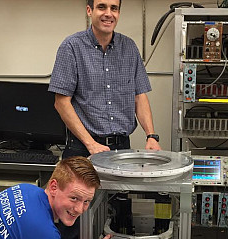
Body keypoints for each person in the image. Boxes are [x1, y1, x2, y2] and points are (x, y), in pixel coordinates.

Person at [49, 0, 161, 159]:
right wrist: (90, 144)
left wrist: (151, 136)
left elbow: (139, 96)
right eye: (102, 7)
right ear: (89, 10)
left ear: (118, 13)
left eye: (114, 8)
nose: (108, 13)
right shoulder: (71, 47)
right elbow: (61, 102)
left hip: (121, 147)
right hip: (82, 147)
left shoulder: (129, 47)